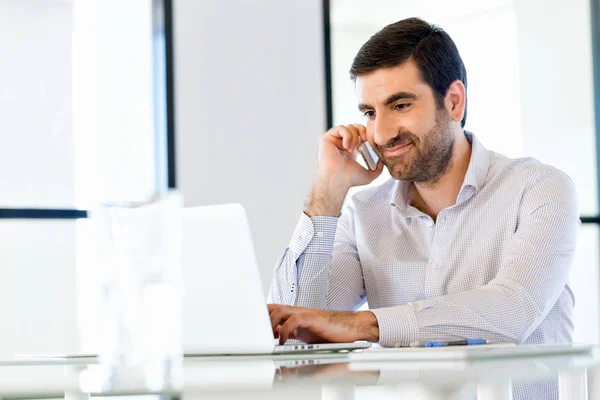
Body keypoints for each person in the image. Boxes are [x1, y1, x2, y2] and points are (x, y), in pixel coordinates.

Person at [267, 17, 579, 351]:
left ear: (454, 101)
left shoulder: (540, 189)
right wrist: (328, 191)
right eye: (370, 113)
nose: (382, 134)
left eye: (400, 105)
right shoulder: (363, 215)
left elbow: (514, 310)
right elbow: (289, 334)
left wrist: (366, 325)